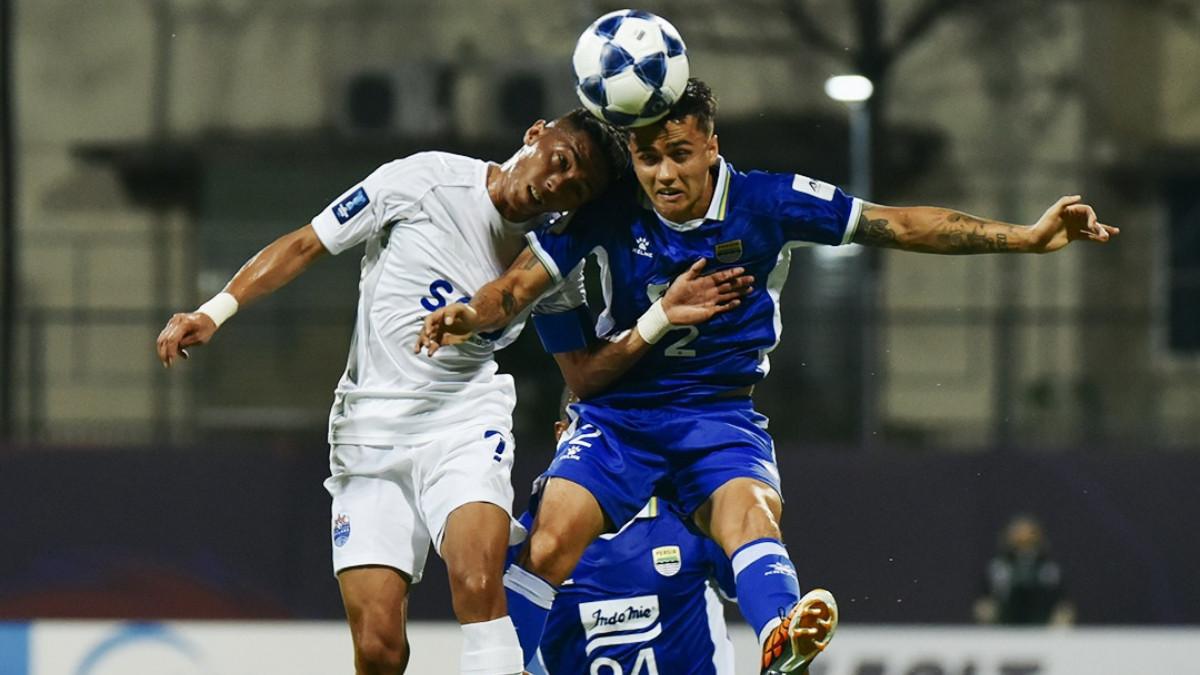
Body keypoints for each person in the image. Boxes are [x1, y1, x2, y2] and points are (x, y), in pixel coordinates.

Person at [418, 79, 1118, 675]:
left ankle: (782, 634)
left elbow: (897, 223)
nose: (663, 173)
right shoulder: (607, 210)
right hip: (620, 412)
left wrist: (1026, 236)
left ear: (712, 145)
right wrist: (467, 316)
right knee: (549, 540)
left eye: (680, 154)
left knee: (751, 514)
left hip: (717, 412)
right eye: (648, 156)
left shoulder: (770, 203)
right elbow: (515, 288)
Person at [154, 107, 753, 675]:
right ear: (535, 134)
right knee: (379, 647)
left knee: (476, 580)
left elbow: (582, 374)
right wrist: (215, 311)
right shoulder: (424, 181)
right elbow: (307, 243)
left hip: (464, 423)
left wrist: (659, 321)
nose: (558, 184)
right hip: (367, 434)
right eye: (562, 160)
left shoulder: (547, 258)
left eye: (577, 188)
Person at [519, 392, 738, 675]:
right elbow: (508, 648)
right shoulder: (528, 542)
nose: (602, 443)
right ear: (561, 434)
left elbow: (746, 586)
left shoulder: (688, 512)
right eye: (590, 429)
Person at [974, 514, 1074, 626]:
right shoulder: (998, 568)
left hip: (1042, 627)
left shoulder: (1049, 569)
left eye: (1029, 534)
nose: (1023, 538)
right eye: (1018, 534)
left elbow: (1062, 604)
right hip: (1005, 627)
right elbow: (984, 602)